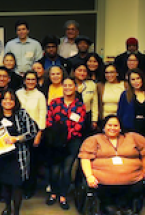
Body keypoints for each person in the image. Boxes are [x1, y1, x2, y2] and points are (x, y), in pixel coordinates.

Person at [79, 115, 145, 215]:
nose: (112, 128)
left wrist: (144, 169)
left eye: (116, 125)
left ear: (120, 127)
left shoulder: (133, 137)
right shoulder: (93, 140)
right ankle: (111, 208)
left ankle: (122, 208)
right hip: (102, 183)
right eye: (109, 125)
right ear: (104, 127)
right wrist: (89, 176)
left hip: (132, 180)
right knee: (109, 206)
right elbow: (85, 158)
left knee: (133, 193)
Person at [0, 88, 39, 215]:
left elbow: (32, 131)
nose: (8, 101)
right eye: (5, 99)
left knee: (17, 185)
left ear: (15, 101)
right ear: (1, 101)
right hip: (2, 156)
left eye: (11, 99)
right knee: (5, 184)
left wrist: (17, 138)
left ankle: (16, 211)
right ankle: (7, 208)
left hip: (18, 156)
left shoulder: (22, 114)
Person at [46, 77, 86, 210]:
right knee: (54, 169)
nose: (68, 88)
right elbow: (49, 120)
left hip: (72, 140)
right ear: (62, 87)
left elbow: (79, 124)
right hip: (55, 141)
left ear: (75, 87)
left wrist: (66, 136)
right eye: (65, 85)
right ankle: (53, 193)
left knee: (66, 169)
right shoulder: (54, 103)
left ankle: (62, 195)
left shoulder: (80, 105)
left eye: (71, 85)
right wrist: (57, 136)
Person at [15, 71, 46, 198]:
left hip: (33, 133)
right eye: (28, 79)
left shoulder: (40, 96)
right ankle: (18, 187)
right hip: (18, 133)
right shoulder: (18, 93)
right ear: (24, 80)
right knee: (18, 162)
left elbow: (42, 115)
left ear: (37, 81)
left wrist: (39, 134)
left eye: (33, 79)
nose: (30, 82)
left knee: (31, 163)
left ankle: (29, 189)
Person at [118, 69, 145, 136]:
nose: (136, 81)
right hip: (130, 129)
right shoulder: (125, 94)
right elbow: (120, 114)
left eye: (138, 78)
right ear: (129, 81)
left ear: (142, 79)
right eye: (133, 79)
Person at [73, 63, 99, 131]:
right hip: (72, 116)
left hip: (87, 115)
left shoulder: (91, 84)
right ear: (74, 72)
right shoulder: (68, 84)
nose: (82, 73)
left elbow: (94, 104)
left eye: (84, 71)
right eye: (79, 70)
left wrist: (94, 120)